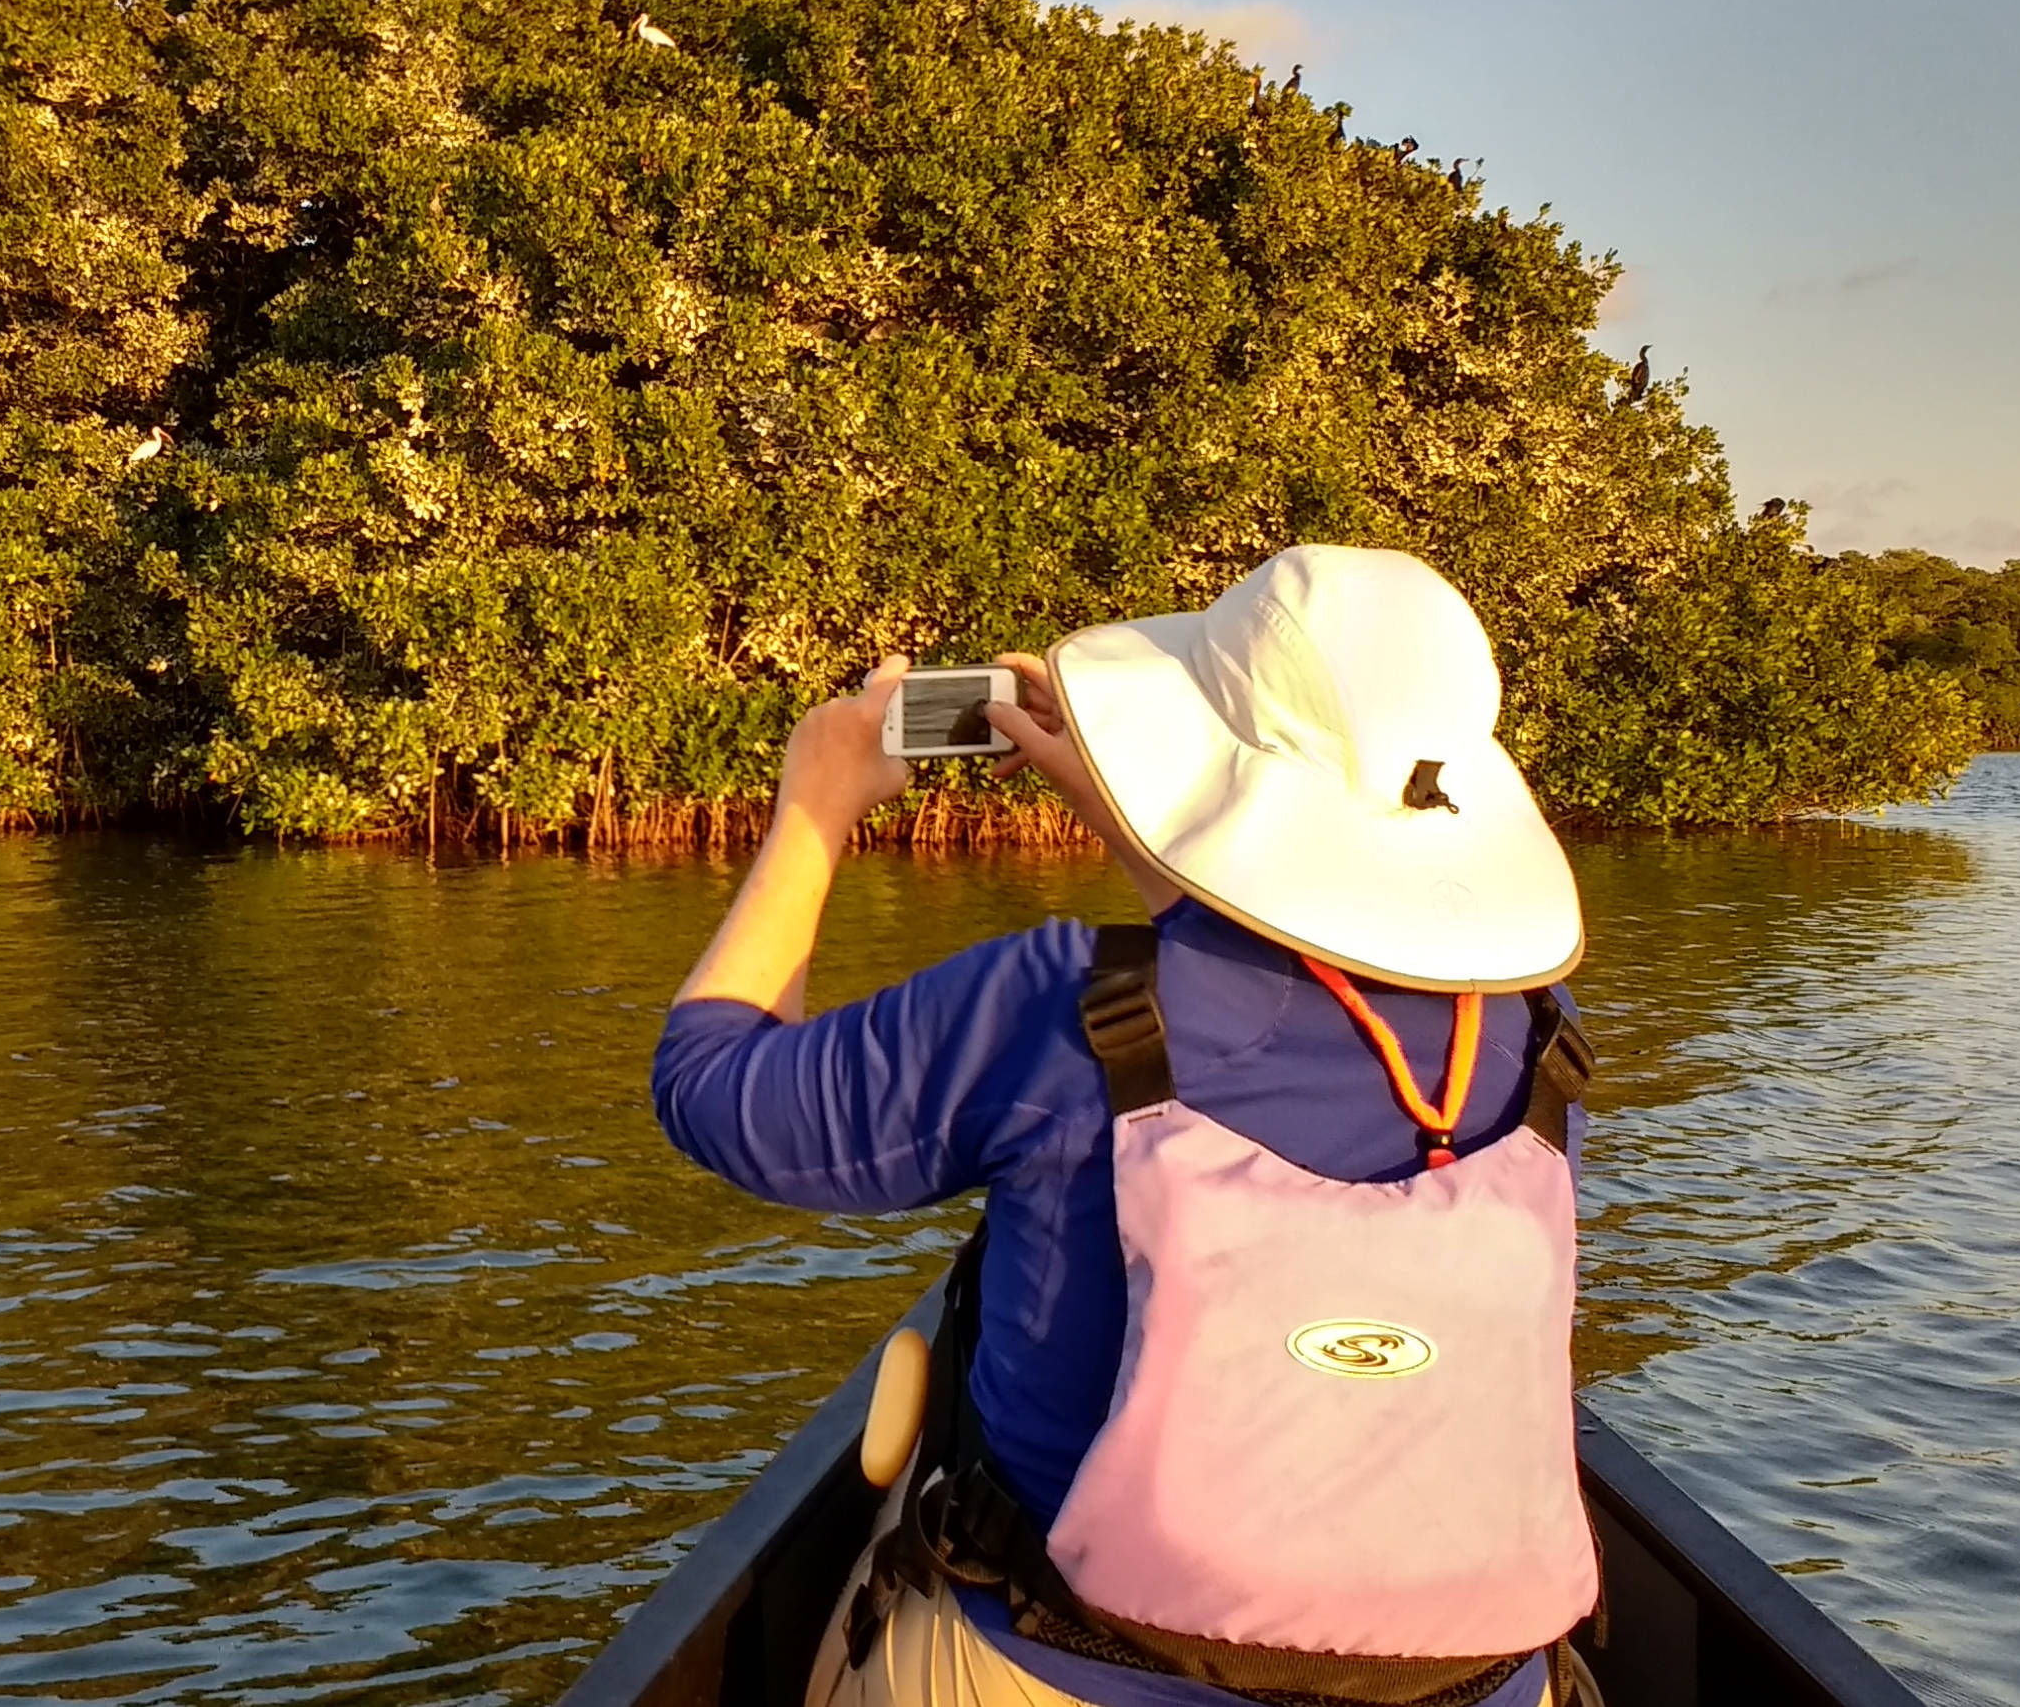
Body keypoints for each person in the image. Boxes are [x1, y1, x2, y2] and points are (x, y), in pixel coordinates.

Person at [653, 546, 1600, 1707]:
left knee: (887, 1540)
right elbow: (1288, 974)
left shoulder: (1062, 1005)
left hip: (1074, 1663)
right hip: (1479, 1683)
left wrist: (815, 804)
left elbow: (711, 1086)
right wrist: (1149, 810)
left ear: (1208, 761)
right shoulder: (1533, 1039)